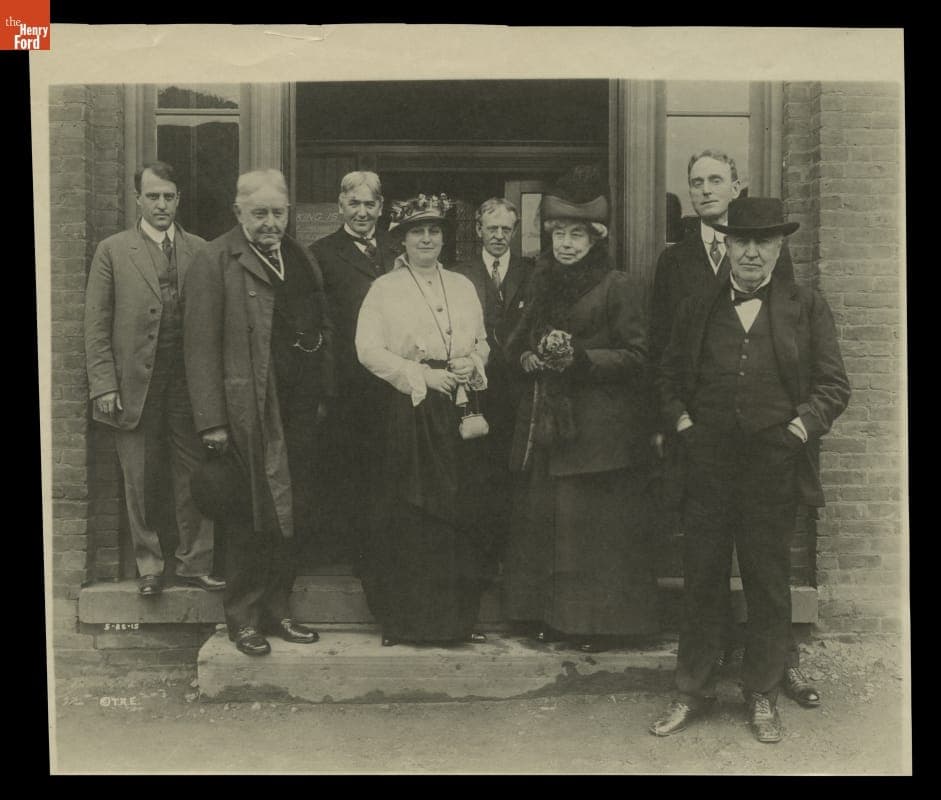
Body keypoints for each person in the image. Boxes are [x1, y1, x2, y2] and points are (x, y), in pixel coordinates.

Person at [650, 197, 850, 743]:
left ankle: (761, 694)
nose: (753, 252)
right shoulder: (696, 305)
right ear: (727, 246)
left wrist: (796, 431)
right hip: (707, 466)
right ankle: (692, 690)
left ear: (779, 247)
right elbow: (665, 376)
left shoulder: (805, 306)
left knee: (767, 582)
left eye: (764, 242)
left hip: (773, 467)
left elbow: (835, 387)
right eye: (742, 241)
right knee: (703, 579)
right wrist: (685, 423)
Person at [502, 172, 659, 653]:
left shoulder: (619, 286)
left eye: (577, 235)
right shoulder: (539, 279)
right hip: (547, 426)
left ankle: (602, 627)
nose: (567, 244)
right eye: (559, 234)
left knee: (593, 534)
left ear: (597, 238)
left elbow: (638, 357)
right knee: (550, 528)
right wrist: (528, 356)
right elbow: (514, 343)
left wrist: (582, 359)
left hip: (598, 432)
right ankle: (550, 619)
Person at [183, 169, 334, 656]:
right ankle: (243, 619)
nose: (271, 222)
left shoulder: (300, 256)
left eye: (278, 212)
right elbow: (199, 347)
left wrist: (324, 391)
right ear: (238, 213)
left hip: (298, 409)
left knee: (291, 514)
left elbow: (322, 324)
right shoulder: (214, 259)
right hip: (248, 410)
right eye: (260, 213)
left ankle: (278, 610)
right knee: (249, 518)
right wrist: (212, 421)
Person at [355, 193, 491, 647]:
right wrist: (419, 376)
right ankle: (405, 621)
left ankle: (453, 621)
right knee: (412, 513)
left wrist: (474, 360)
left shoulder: (462, 285)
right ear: (402, 239)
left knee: (458, 510)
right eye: (418, 232)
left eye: (434, 231)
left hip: (460, 406)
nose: (427, 239)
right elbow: (367, 350)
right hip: (410, 410)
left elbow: (483, 340)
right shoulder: (385, 289)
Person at [84, 161, 222, 597]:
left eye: (169, 196)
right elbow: (96, 323)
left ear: (178, 200)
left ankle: (194, 563)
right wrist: (104, 383)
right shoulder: (113, 250)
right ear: (138, 199)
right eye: (153, 196)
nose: (162, 204)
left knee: (195, 474)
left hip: (188, 384)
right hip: (133, 385)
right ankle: (148, 566)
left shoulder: (200, 249)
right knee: (139, 477)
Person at [310, 172, 397, 566]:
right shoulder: (322, 254)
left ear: (381, 207)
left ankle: (387, 552)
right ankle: (351, 556)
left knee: (392, 470)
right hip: (349, 385)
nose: (362, 212)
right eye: (354, 204)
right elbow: (319, 325)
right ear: (341, 206)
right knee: (350, 472)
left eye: (370, 204)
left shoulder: (399, 249)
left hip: (397, 382)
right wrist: (325, 388)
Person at [448, 198, 534, 578]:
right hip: (475, 392)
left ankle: (510, 557)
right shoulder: (457, 274)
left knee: (514, 475)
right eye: (492, 228)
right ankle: (477, 559)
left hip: (518, 391)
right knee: (475, 475)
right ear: (478, 231)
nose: (499, 236)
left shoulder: (532, 272)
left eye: (506, 229)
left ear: (514, 233)